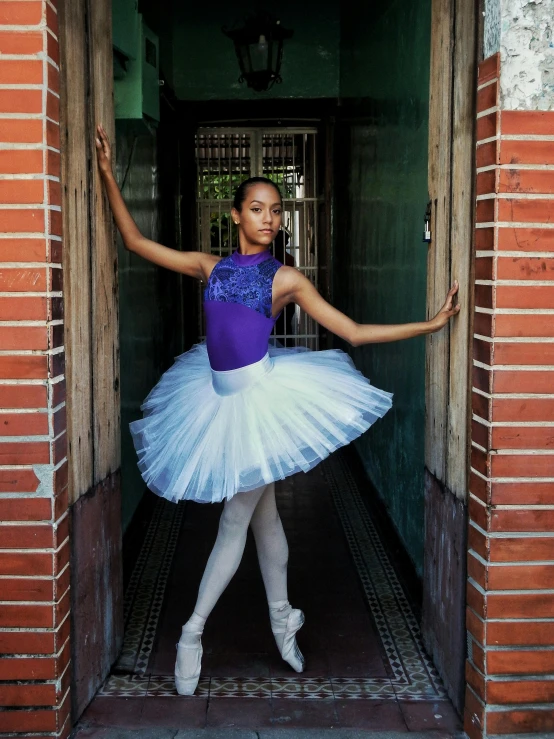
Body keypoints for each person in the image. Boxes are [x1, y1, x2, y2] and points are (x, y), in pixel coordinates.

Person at [95, 123, 460, 696]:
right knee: (266, 524)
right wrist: (107, 174)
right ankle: (282, 617)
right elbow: (137, 242)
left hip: (260, 402)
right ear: (236, 215)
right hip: (214, 399)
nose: (269, 218)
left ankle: (192, 631)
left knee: (235, 521)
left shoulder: (286, 278)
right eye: (258, 208)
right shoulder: (209, 268)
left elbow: (354, 333)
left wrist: (429, 324)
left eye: (277, 210)